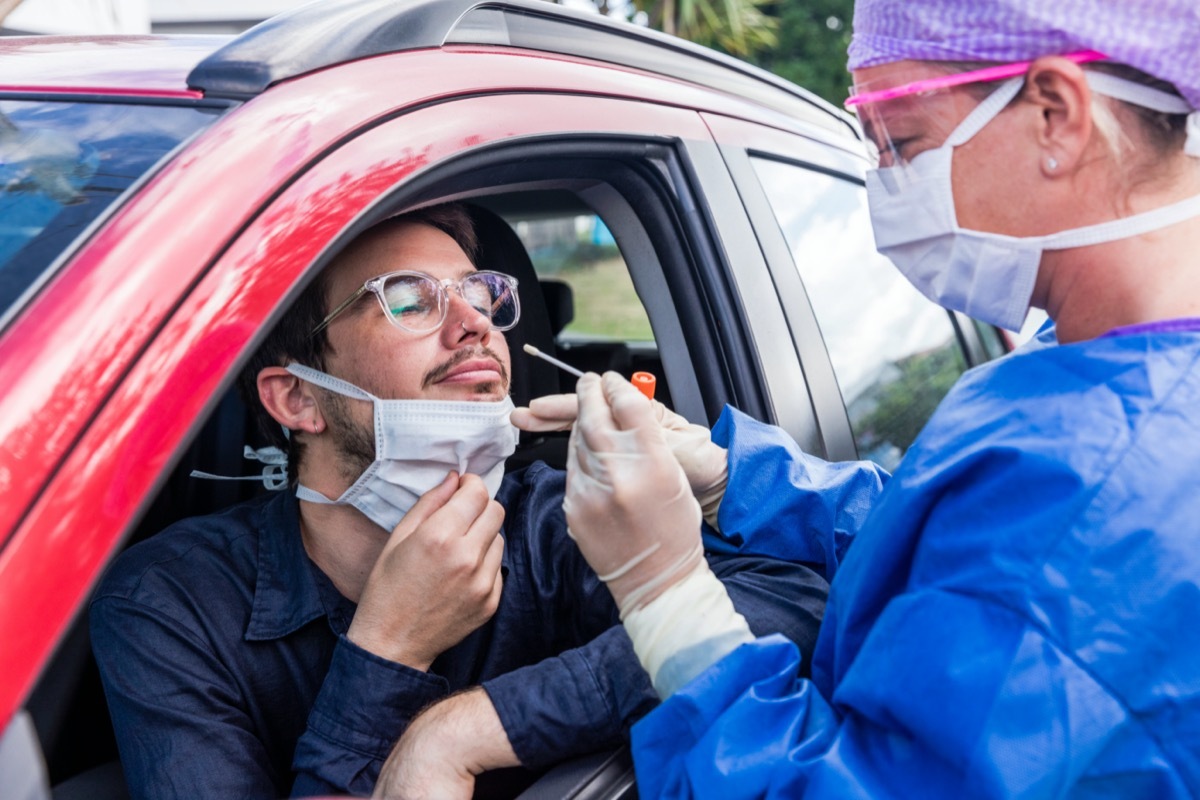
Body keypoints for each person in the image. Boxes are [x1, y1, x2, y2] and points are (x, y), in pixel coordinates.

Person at [508, 1, 1200, 797]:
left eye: (903, 143)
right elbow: (949, 550)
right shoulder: (1092, 357)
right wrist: (730, 478)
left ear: (1055, 114)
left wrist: (666, 598)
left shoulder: (1107, 482)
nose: (885, 188)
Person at [88, 203, 832, 799]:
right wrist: (388, 649)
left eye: (479, 292)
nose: (475, 321)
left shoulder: (565, 519)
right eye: (409, 299)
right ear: (298, 398)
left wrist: (470, 729)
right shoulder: (167, 604)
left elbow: (796, 599)